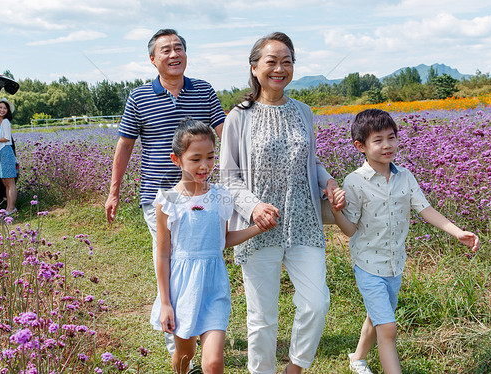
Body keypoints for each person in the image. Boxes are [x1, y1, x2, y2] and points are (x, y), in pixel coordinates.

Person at [220, 32, 345, 374]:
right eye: (271, 61)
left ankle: (296, 366)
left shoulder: (303, 112)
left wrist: (329, 181)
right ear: (255, 68)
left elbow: (312, 163)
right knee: (262, 317)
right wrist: (253, 207)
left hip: (304, 222)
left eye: (287, 61)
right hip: (257, 229)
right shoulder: (238, 117)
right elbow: (228, 178)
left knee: (317, 303)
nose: (280, 68)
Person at [104, 29, 227, 356]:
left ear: (186, 54)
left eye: (179, 49)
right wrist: (113, 191)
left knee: (202, 256)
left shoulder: (203, 91)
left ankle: (201, 325)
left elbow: (225, 134)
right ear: (152, 59)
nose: (174, 55)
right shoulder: (139, 97)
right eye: (166, 50)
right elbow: (125, 145)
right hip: (159, 197)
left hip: (203, 195)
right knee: (173, 258)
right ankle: (179, 332)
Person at [329, 109, 480, 374]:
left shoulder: (405, 176)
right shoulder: (354, 182)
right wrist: (336, 212)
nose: (387, 145)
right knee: (388, 327)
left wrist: (457, 232)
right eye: (378, 140)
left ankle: (357, 358)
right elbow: (350, 230)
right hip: (367, 265)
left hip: (395, 264)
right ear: (360, 146)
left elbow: (426, 210)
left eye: (392, 137)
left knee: (378, 315)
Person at [151, 118, 264, 373]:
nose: (205, 166)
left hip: (214, 286)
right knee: (184, 354)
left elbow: (223, 241)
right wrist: (166, 302)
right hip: (181, 289)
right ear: (176, 159)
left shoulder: (221, 196)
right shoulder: (168, 201)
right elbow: (163, 254)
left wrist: (257, 227)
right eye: (195, 159)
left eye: (211, 157)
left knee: (213, 362)